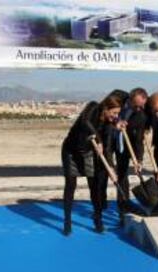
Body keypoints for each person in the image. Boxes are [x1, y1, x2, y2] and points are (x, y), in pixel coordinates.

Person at [61, 95, 122, 235]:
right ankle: (67, 221)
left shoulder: (108, 124)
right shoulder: (93, 107)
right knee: (70, 185)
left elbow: (106, 149)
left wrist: (111, 169)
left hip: (88, 153)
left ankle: (98, 219)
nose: (116, 116)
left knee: (94, 186)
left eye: (118, 113)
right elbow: (85, 121)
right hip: (70, 151)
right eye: (114, 113)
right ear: (106, 109)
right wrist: (98, 139)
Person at [108, 88, 149, 225]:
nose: (139, 108)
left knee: (122, 175)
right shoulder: (117, 96)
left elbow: (138, 140)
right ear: (130, 99)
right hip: (107, 139)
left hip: (124, 146)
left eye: (142, 105)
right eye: (137, 105)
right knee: (104, 172)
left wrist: (139, 160)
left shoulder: (141, 115)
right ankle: (99, 203)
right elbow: (105, 112)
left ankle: (123, 206)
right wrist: (115, 123)